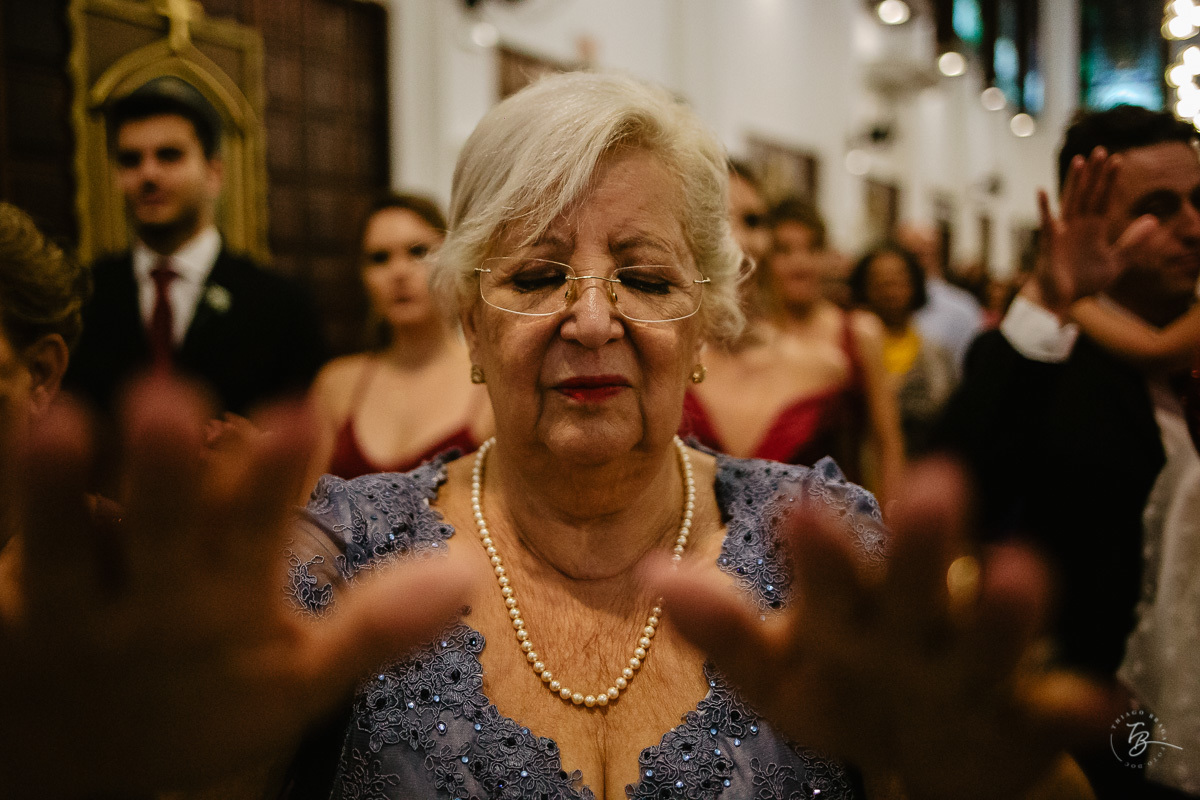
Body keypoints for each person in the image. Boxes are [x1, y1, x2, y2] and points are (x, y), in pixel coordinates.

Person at [4, 73, 1114, 800]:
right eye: (537, 274)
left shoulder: (825, 543)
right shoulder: (337, 557)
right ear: (471, 324)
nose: (593, 316)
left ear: (707, 321)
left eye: (643, 275)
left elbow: (1019, 766)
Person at [935, 105, 1200, 797]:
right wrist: (1051, 297)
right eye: (1159, 208)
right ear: (1091, 221)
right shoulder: (1049, 361)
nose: (1193, 227)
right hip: (1106, 723)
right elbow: (954, 479)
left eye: (1199, 201)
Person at [64, 75, 325, 419]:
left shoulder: (281, 305)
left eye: (169, 156)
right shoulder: (84, 297)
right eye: (130, 160)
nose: (148, 174)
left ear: (214, 173)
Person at [682, 197, 905, 506]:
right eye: (785, 251)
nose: (800, 264)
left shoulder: (858, 331)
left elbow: (886, 442)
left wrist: (887, 521)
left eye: (812, 249)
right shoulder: (751, 339)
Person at [307, 193, 491, 484]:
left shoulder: (489, 382)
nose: (399, 272)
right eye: (379, 258)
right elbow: (307, 512)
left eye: (418, 252)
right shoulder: (337, 384)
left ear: (452, 261)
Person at [849, 243, 957, 457]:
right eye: (879, 281)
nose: (890, 290)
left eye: (899, 280)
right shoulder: (850, 350)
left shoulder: (936, 355)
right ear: (863, 287)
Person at [896, 222, 984, 376]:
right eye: (911, 254)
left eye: (923, 252)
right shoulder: (879, 301)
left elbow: (968, 368)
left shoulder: (961, 308)